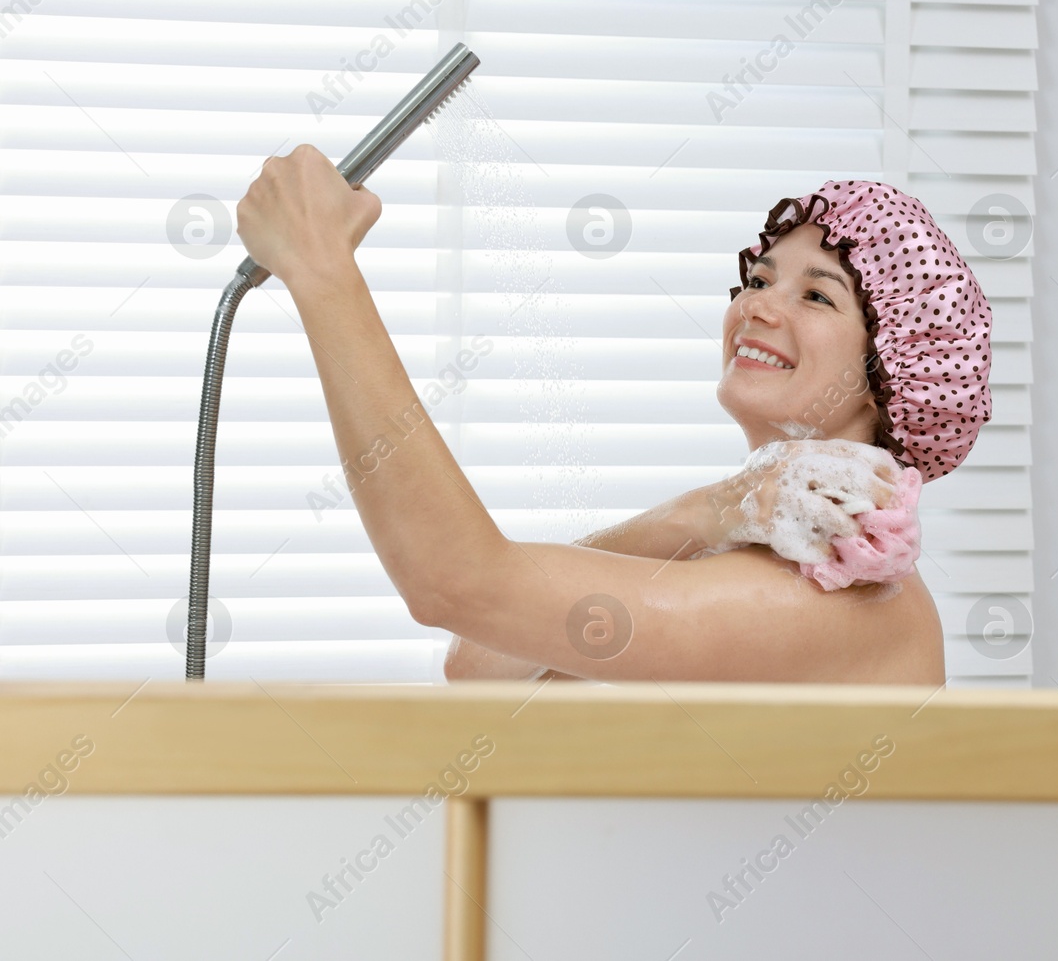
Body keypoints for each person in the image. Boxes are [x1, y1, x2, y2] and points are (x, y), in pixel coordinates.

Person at [239, 158, 991, 684]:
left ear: (892, 372)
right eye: (759, 279)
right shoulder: (747, 559)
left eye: (817, 296)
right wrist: (713, 509)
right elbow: (478, 661)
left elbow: (457, 585)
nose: (757, 305)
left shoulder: (834, 603)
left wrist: (323, 271)